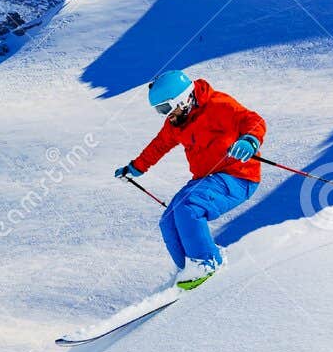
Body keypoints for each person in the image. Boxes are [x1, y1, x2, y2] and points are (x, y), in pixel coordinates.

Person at [114, 69, 266, 289]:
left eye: (165, 107)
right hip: (206, 178)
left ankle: (206, 263)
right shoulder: (177, 122)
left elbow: (253, 120)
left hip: (238, 176)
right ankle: (189, 268)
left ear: (183, 99)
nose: (165, 115)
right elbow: (159, 146)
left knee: (189, 209)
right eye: (159, 110)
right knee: (168, 220)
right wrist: (135, 168)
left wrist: (250, 140)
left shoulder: (218, 105)